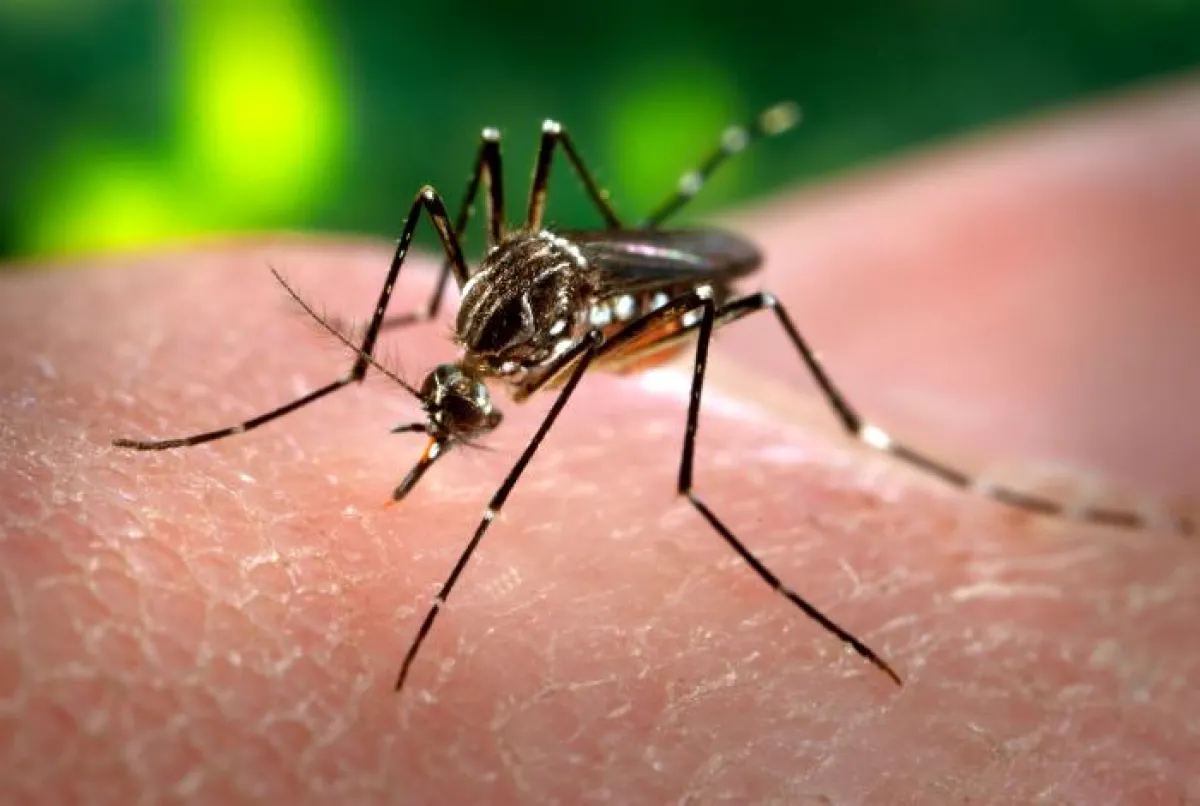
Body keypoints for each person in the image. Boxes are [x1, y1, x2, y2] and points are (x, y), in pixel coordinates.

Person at [1, 76, 1196, 803]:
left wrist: (486, 499)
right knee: (454, 194)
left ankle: (864, 443)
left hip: (636, 301)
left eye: (448, 409)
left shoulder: (535, 351)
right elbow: (470, 268)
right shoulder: (476, 325)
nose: (449, 415)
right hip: (565, 282)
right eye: (447, 404)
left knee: (741, 299)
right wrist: (376, 346)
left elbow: (572, 348)